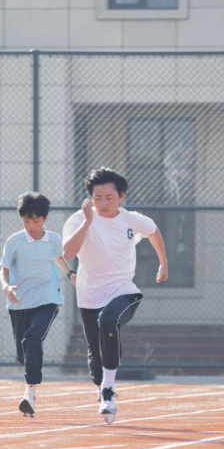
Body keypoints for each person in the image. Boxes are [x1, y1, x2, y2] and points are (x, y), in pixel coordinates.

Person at [62, 167, 168, 424]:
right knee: (94, 352)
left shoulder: (131, 220)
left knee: (108, 321)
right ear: (90, 198)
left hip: (124, 291)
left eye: (109, 197)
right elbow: (67, 253)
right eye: (97, 198)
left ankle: (109, 388)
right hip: (89, 295)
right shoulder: (78, 220)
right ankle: (103, 393)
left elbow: (153, 230)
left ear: (121, 196)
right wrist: (88, 221)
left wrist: (163, 263)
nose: (103, 203)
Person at [0, 192, 76, 417]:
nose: (31, 226)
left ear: (44, 219)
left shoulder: (53, 240)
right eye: (26, 221)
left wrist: (70, 273)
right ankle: (30, 380)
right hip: (19, 302)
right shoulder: (14, 241)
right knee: (24, 355)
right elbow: (4, 268)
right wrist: (6, 286)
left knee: (32, 338)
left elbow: (58, 256)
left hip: (47, 299)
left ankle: (30, 395)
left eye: (36, 221)